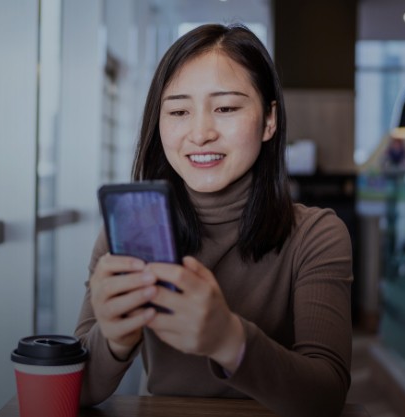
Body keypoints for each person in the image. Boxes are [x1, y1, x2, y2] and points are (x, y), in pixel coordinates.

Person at [74, 23, 353, 417]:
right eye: (178, 111)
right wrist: (114, 339)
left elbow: (326, 397)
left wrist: (229, 339)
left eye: (225, 108)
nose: (200, 133)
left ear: (269, 120)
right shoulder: (129, 232)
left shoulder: (317, 235)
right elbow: (80, 389)